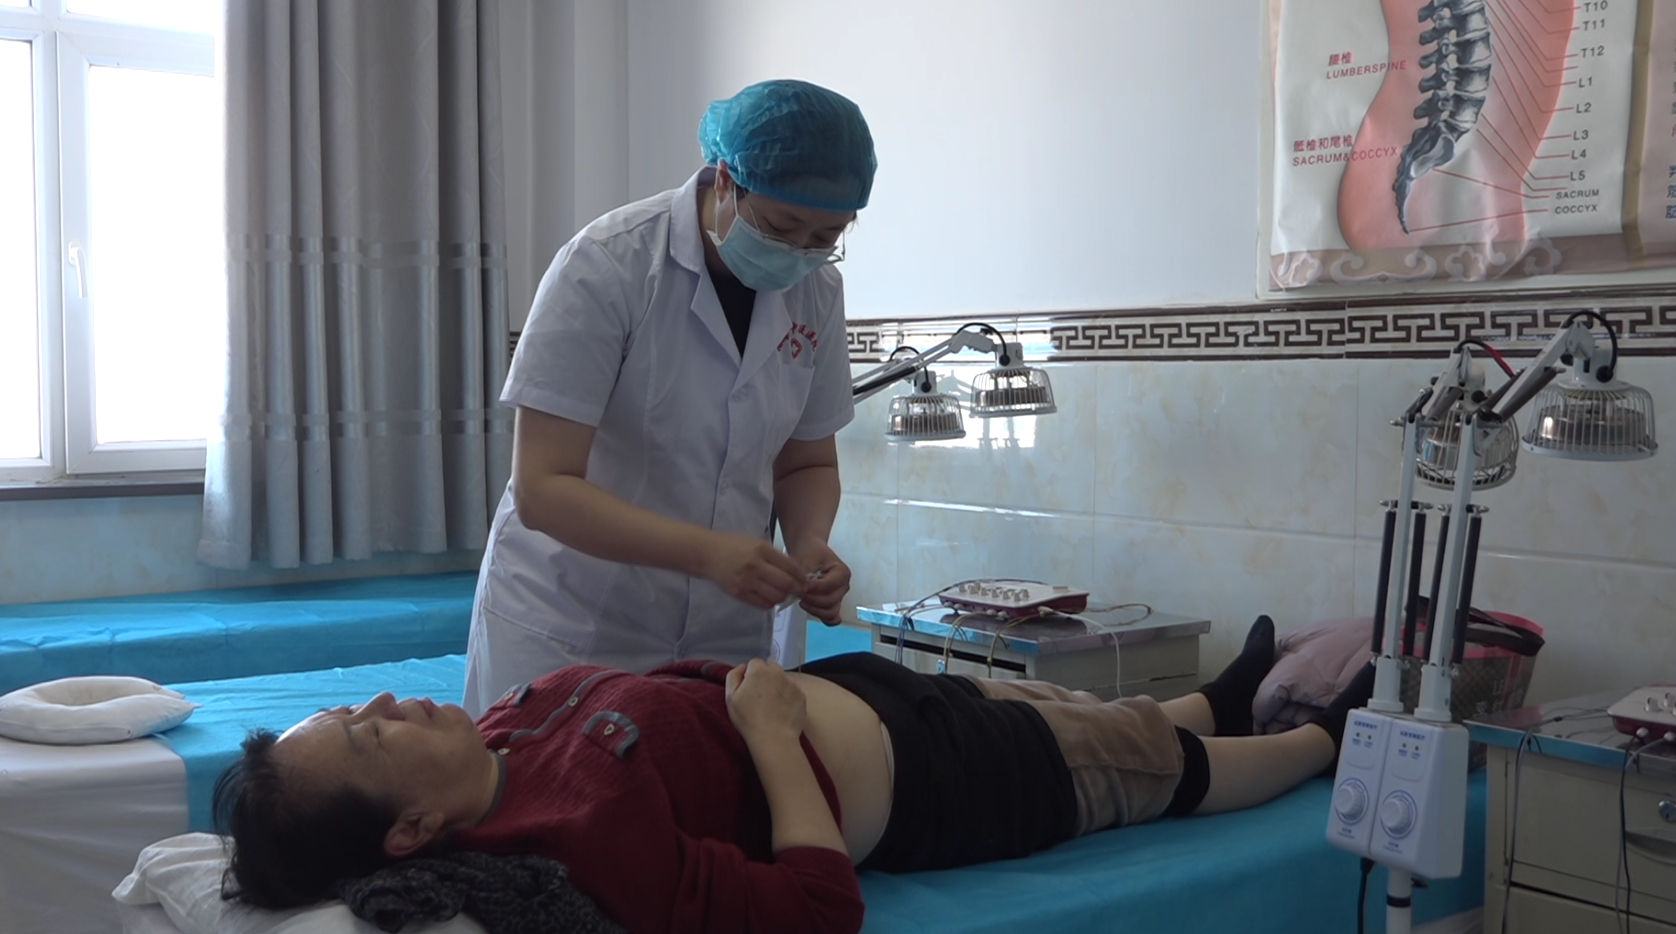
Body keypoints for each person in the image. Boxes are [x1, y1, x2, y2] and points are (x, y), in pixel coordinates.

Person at [214, 619, 1378, 934]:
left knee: (1082, 710)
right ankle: (1322, 742)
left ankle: (1219, 695)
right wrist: (772, 734)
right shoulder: (580, 843)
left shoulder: (503, 730)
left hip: (867, 695)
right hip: (939, 782)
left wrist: (779, 694)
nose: (385, 705)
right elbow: (819, 909)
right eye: (370, 737)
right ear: (412, 829)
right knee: (1152, 767)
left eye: (356, 707)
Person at [464, 78, 876, 715]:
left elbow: (807, 463)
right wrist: (708, 554)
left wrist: (809, 544)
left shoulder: (818, 292)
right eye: (783, 226)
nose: (800, 252)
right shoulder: (608, 264)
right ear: (726, 181)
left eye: (826, 237)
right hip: (575, 622)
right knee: (554, 775)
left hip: (721, 632)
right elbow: (543, 487)